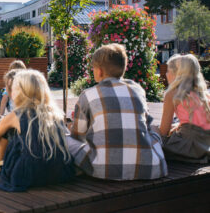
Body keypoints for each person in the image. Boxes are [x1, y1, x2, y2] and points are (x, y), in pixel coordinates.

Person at [67, 43, 168, 180]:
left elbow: (79, 136)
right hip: (149, 168)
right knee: (154, 131)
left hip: (103, 170)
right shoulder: (138, 90)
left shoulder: (88, 95)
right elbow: (147, 125)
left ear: (100, 71)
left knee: (67, 140)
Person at [0, 69, 75, 192]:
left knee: (9, 132)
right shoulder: (55, 113)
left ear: (20, 91)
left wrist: (4, 124)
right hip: (58, 170)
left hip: (28, 173)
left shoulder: (16, 114)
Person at [158, 54, 210, 163]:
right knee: (175, 125)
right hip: (206, 144)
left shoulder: (172, 94)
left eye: (168, 71)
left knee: (152, 132)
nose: (166, 74)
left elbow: (163, 131)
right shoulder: (204, 94)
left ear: (176, 74)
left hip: (189, 147)